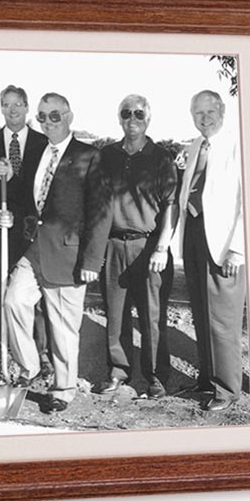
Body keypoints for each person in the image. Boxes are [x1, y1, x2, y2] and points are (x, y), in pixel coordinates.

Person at [0, 93, 111, 413]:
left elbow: (101, 213)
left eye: (54, 116)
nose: (48, 122)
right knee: (14, 300)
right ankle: (30, 367)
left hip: (68, 255)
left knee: (62, 325)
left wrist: (92, 260)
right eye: (42, 117)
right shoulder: (36, 153)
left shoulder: (89, 156)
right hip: (33, 248)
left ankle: (64, 387)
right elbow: (25, 198)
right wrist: (9, 211)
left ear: (69, 116)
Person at [98, 95, 178, 399]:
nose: (133, 118)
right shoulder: (106, 155)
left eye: (139, 113)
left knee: (151, 317)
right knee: (115, 315)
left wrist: (162, 247)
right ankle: (118, 372)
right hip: (114, 245)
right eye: (126, 113)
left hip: (149, 248)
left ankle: (156, 377)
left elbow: (171, 206)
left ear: (148, 119)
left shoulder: (161, 157)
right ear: (119, 117)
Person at [178, 90, 246, 411]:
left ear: (222, 111)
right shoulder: (196, 145)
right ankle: (206, 378)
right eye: (197, 114)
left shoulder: (238, 144)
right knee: (201, 313)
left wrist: (238, 249)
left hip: (223, 243)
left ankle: (227, 390)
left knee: (223, 319)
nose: (204, 119)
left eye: (209, 112)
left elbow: (249, 200)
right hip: (193, 232)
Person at [0, 85, 50, 374]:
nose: (13, 110)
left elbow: (39, 190)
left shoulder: (43, 143)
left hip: (33, 233)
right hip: (1, 233)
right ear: (1, 108)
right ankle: (2, 353)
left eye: (18, 104)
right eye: (7, 104)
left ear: (27, 107)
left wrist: (13, 177)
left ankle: (40, 355)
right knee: (2, 292)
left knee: (35, 298)